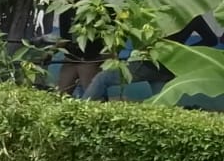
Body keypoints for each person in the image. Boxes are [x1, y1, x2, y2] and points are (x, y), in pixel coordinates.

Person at [85, 15, 219, 101]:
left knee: (102, 79)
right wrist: (182, 52)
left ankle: (79, 113)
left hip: (147, 62)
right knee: (160, 103)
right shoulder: (194, 17)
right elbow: (212, 40)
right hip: (170, 66)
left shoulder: (159, 13)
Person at [54, 0, 107, 96]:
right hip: (71, 58)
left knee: (93, 98)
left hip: (89, 60)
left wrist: (50, 53)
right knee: (60, 94)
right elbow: (65, 36)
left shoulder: (92, 8)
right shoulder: (66, 7)